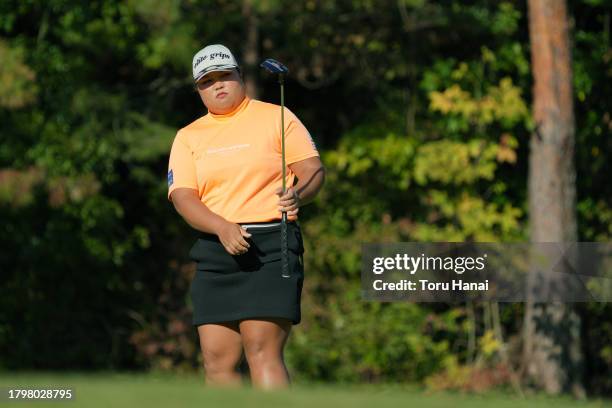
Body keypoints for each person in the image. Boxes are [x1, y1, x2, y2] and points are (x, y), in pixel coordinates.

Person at [167, 44, 325, 389]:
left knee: (261, 348)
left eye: (225, 76)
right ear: (198, 89)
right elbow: (183, 197)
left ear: (240, 76)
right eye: (208, 81)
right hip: (214, 247)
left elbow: (312, 169)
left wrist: (299, 193)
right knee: (216, 359)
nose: (219, 85)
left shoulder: (276, 116)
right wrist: (221, 227)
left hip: (271, 244)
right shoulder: (188, 137)